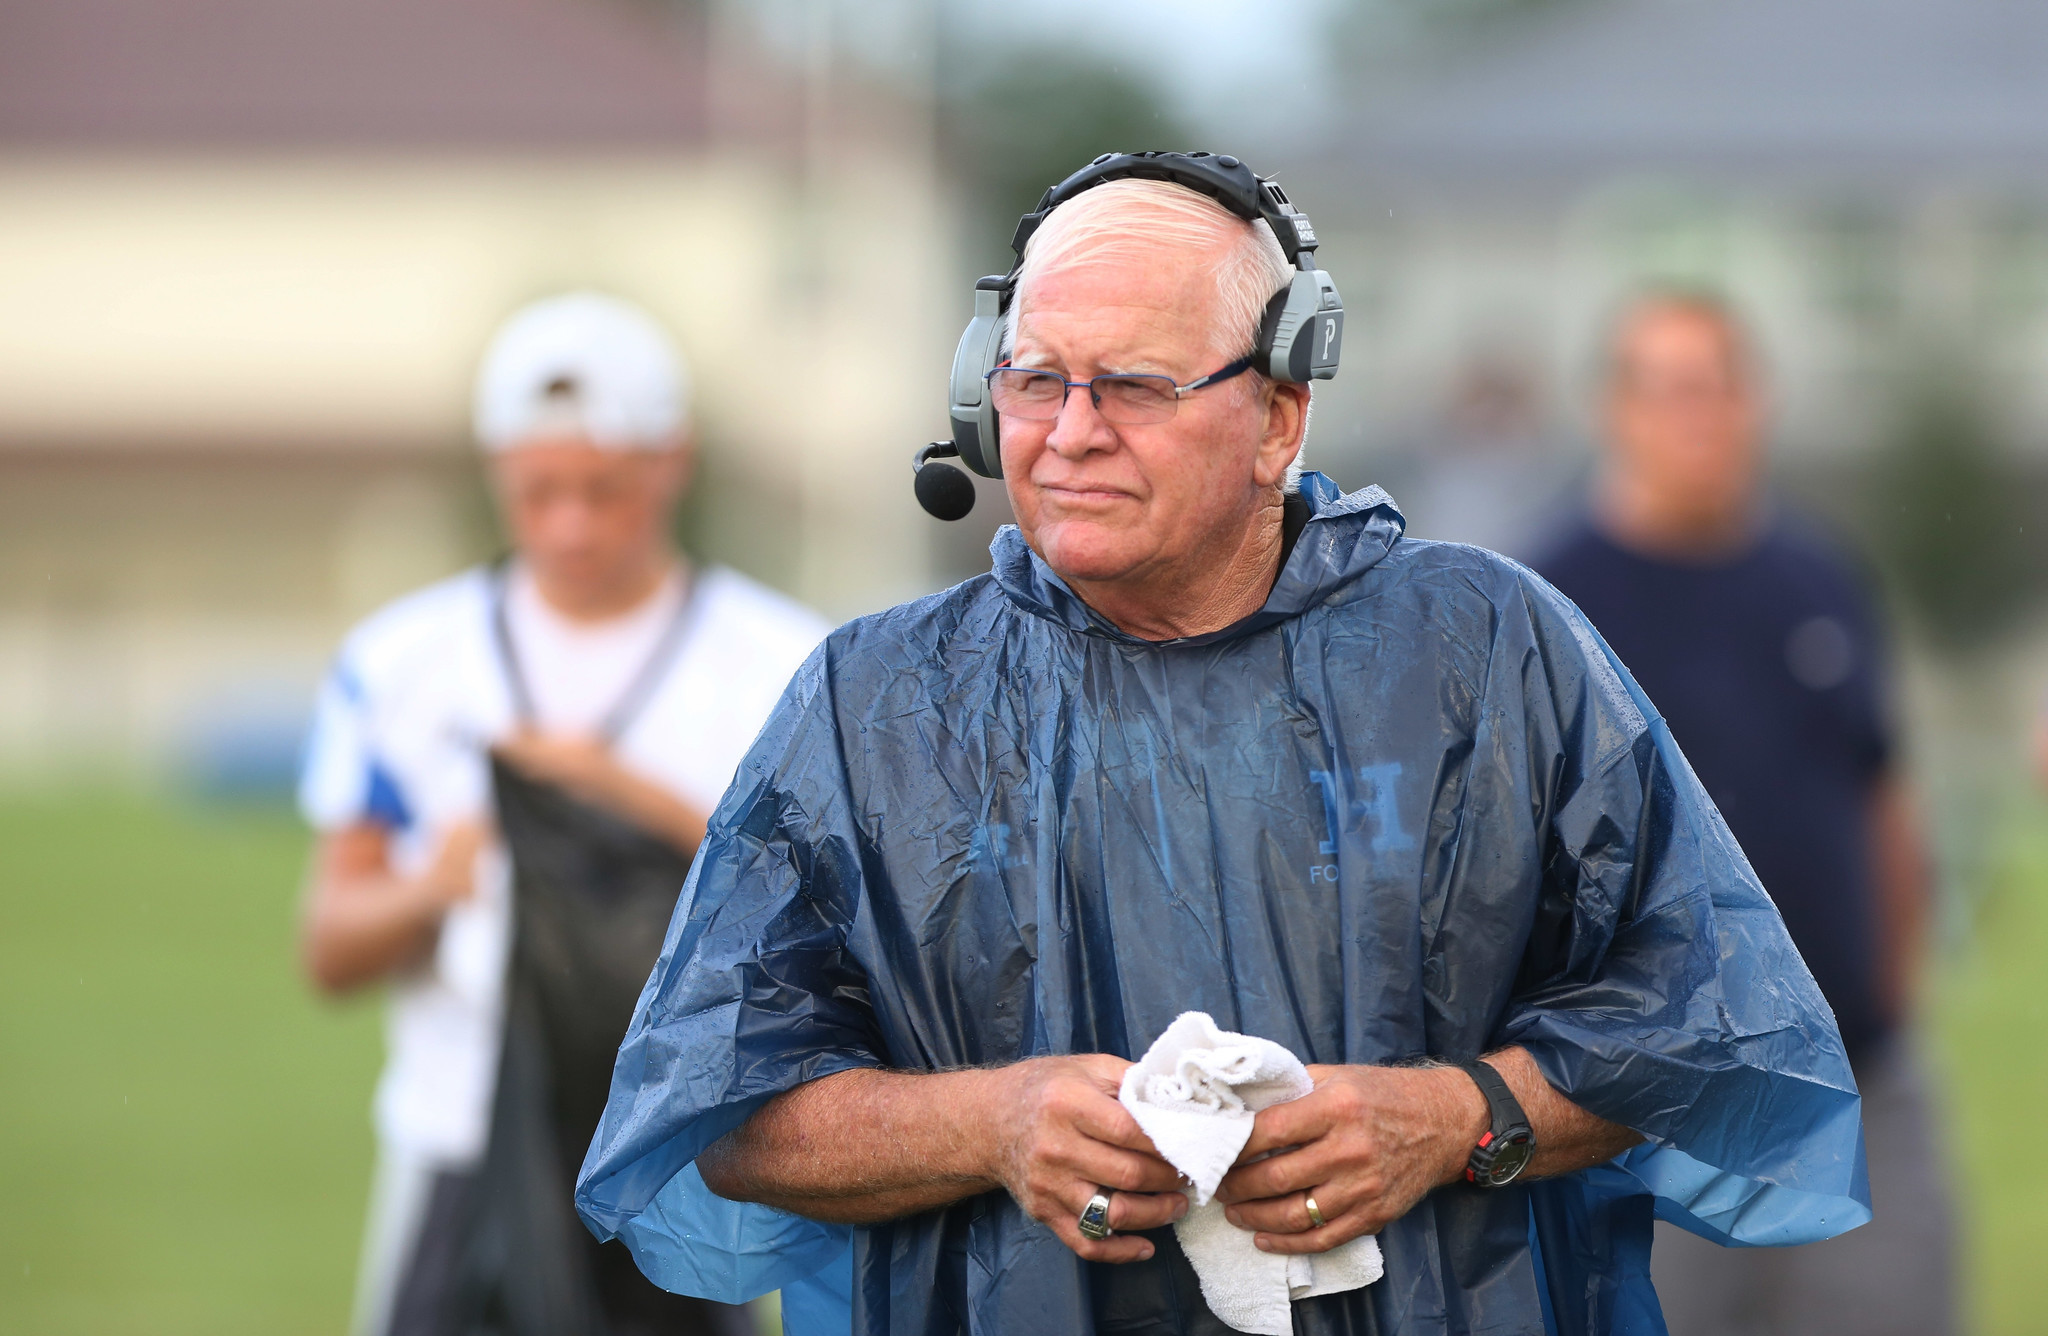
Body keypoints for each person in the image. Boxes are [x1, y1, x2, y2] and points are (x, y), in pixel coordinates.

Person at [575, 170, 1870, 1336]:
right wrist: (993, 1124)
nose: (1071, 431)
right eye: (1035, 380)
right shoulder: (874, 704)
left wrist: (1453, 1119)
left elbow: (1713, 1023)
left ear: (1279, 416)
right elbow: (723, 1107)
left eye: (1134, 384)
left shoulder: (1488, 652)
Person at [298, 292, 831, 1336]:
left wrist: (633, 810)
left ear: (671, 462)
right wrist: (436, 884)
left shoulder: (788, 665)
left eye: (605, 489)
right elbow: (329, 948)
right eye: (540, 491)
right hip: (456, 1142)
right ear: (498, 470)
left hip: (681, 1154)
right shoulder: (402, 662)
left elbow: (835, 934)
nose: (571, 524)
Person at [1534, 291, 1951, 1336]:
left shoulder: (1814, 577)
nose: (1702, 414)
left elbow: (1879, 795)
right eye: (1671, 388)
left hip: (1854, 1082)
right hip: (1646, 1106)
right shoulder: (1545, 602)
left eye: (1721, 384)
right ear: (1612, 409)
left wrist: (1890, 1006)